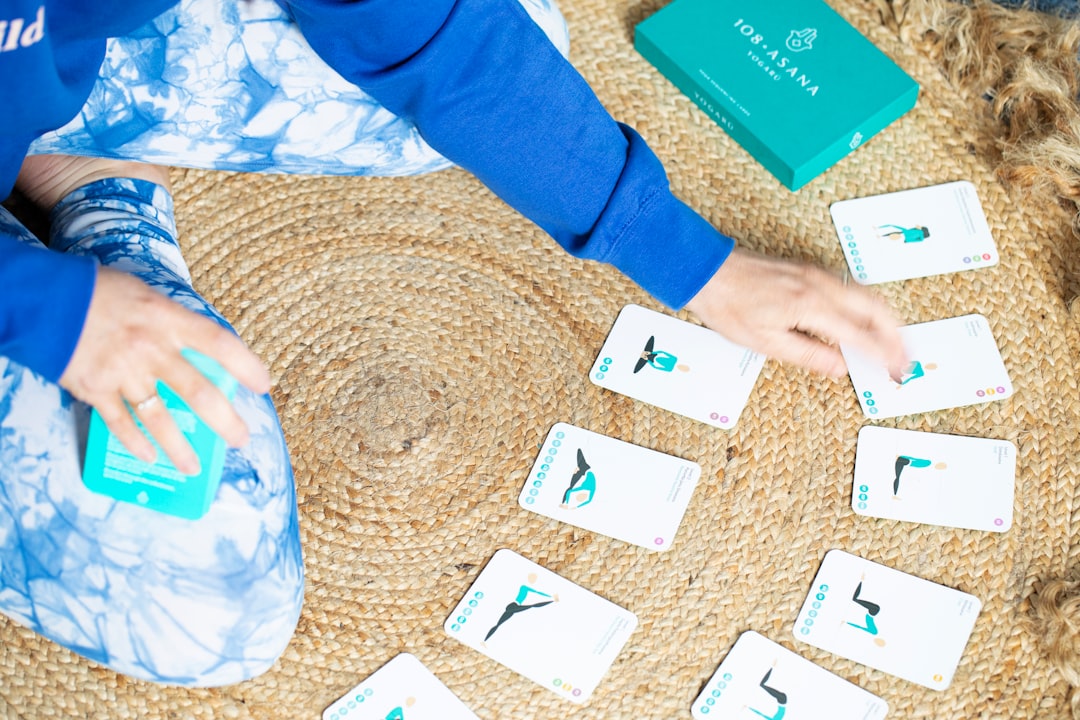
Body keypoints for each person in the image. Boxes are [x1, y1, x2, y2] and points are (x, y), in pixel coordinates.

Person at [1, 0, 907, 687]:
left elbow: (437, 31)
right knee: (216, 606)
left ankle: (58, 147)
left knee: (526, 46)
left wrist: (695, 264)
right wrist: (54, 312)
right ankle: (110, 211)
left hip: (50, 55)